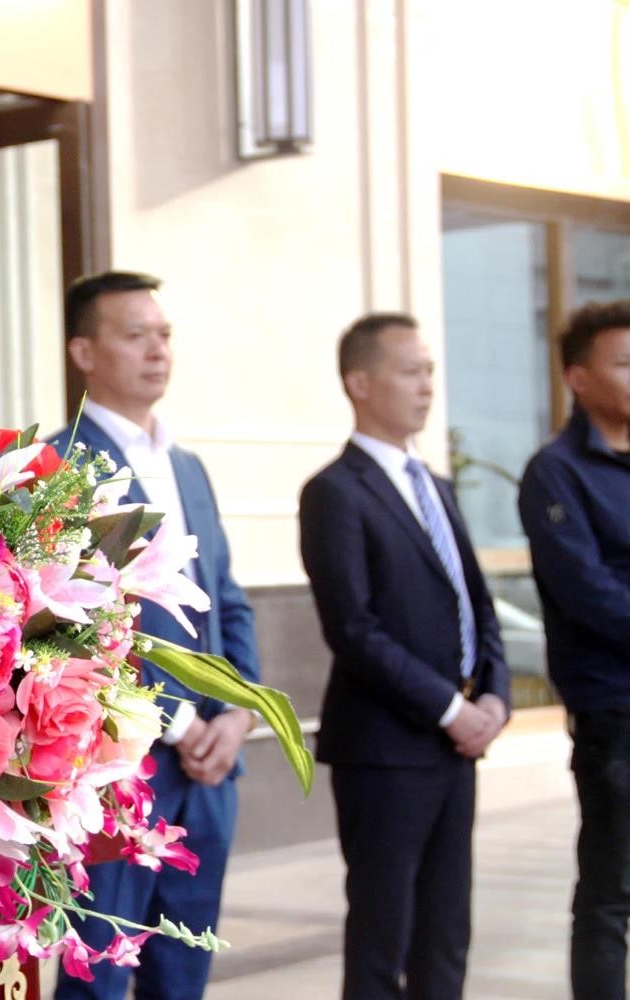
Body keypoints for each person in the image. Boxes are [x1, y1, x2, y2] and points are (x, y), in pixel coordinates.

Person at [49, 271, 261, 1000]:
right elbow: (71, 626)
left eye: (164, 334)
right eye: (135, 335)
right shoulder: (60, 467)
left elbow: (227, 600)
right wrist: (178, 720)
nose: (157, 350)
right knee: (98, 978)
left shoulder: (187, 467)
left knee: (183, 977)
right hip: (118, 769)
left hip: (212, 770)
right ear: (84, 351)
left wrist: (238, 712)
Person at [298, 312, 510, 1000]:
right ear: (360, 383)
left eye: (430, 372)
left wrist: (494, 695)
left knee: (446, 935)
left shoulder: (435, 486)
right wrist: (449, 708)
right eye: (410, 372)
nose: (426, 387)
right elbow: (353, 627)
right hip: (385, 752)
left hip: (455, 748)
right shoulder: (335, 491)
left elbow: (476, 605)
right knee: (382, 938)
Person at [518, 301, 630, 1000]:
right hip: (614, 712)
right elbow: (586, 590)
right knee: (612, 892)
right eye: (624, 363)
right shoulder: (556, 472)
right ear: (579, 379)